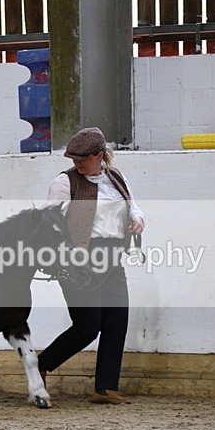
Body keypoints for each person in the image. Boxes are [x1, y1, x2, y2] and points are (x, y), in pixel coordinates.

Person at [37, 127, 145, 404]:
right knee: (87, 326)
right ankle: (40, 364)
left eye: (82, 159)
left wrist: (137, 219)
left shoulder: (116, 177)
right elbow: (49, 221)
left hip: (113, 256)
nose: (77, 163)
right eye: (73, 159)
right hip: (79, 259)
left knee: (116, 321)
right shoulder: (65, 182)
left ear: (100, 156)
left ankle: (105, 387)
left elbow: (133, 207)